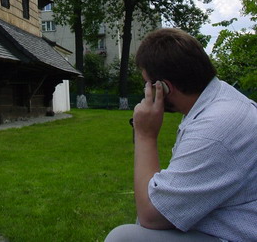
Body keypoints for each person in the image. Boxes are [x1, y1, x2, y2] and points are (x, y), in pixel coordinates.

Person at [105, 28, 257, 242]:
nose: (146, 90)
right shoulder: (217, 101)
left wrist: (145, 135)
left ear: (164, 88)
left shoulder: (214, 129)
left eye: (147, 83)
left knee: (124, 238)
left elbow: (151, 215)